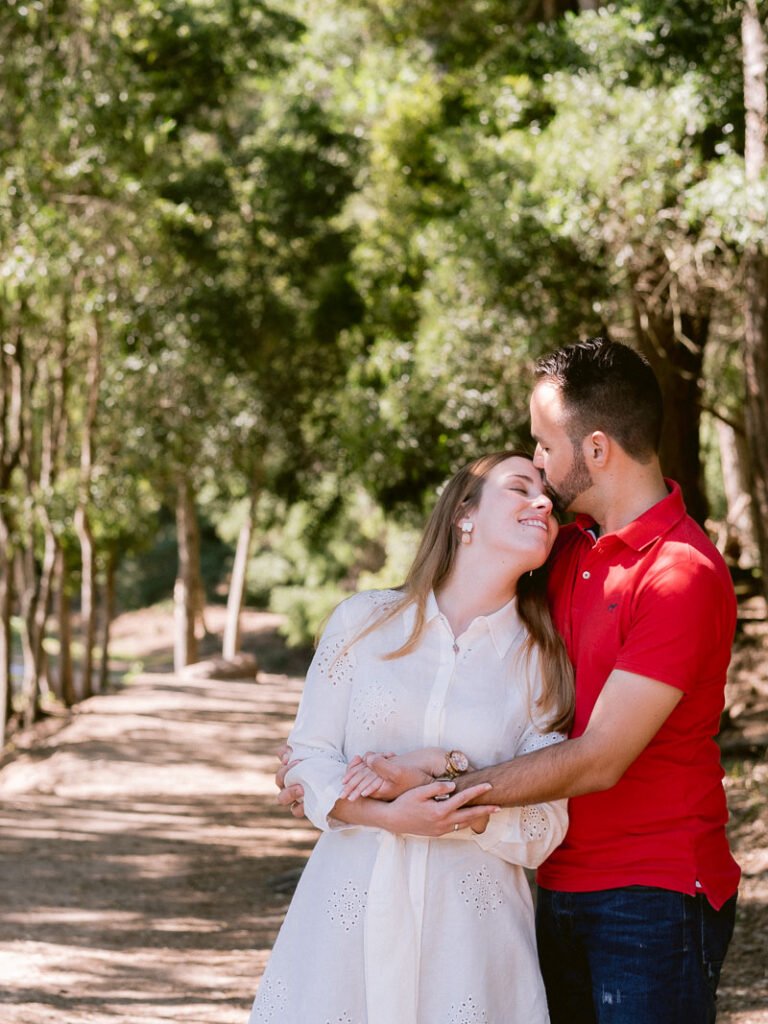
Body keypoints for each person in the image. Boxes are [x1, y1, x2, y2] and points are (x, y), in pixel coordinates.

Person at [278, 338, 741, 1024]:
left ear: (597, 450)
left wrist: (432, 781)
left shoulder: (680, 575)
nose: (541, 473)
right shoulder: (567, 556)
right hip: (552, 890)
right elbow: (312, 758)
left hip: (650, 889)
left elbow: (599, 757)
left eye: (544, 446)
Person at [248, 450, 575, 1024]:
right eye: (520, 487)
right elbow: (305, 761)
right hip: (347, 915)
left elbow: (544, 825)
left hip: (472, 942)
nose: (543, 501)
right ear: (463, 515)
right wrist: (393, 816)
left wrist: (443, 781)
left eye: (548, 498)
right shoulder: (362, 622)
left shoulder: (543, 662)